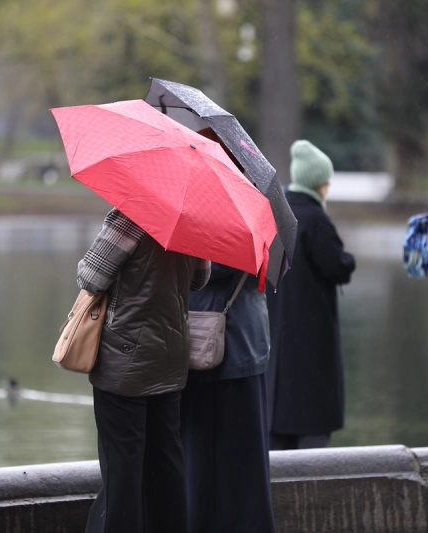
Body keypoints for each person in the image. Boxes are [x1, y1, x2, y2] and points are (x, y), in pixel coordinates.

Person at [77, 208, 210, 533]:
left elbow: (90, 277)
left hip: (124, 362)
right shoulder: (192, 221)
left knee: (121, 469)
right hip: (170, 358)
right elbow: (200, 279)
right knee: (165, 465)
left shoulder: (133, 215)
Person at [179, 128, 276, 533]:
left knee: (202, 454)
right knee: (243, 459)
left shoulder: (217, 207)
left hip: (212, 345)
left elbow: (205, 274)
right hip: (246, 344)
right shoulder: (255, 204)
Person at [266, 139, 356, 450]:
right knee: (312, 418)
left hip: (277, 331)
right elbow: (336, 266)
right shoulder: (315, 219)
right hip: (311, 335)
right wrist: (349, 260)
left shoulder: (278, 215)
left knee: (278, 419)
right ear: (318, 183)